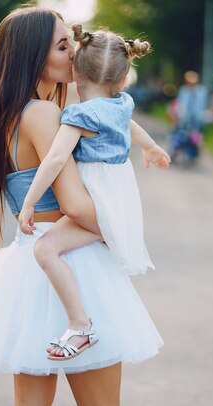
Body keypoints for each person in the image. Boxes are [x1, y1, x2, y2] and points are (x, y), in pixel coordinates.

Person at [0, 6, 163, 406]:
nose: (74, 54)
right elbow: (76, 206)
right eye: (63, 46)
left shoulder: (11, 115)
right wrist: (120, 226)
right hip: (74, 265)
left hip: (30, 267)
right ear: (32, 57)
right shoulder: (44, 114)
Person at [18, 24, 170, 361]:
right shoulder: (120, 104)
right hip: (119, 201)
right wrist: (152, 147)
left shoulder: (79, 114)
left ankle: (79, 325)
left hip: (96, 203)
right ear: (121, 80)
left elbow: (56, 158)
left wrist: (29, 201)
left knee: (45, 251)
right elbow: (132, 127)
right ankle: (79, 322)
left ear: (76, 71)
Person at [169, 70, 208, 164]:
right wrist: (178, 115)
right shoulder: (184, 90)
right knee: (179, 135)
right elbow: (180, 104)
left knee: (195, 137)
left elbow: (202, 105)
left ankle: (193, 155)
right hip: (184, 118)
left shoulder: (202, 91)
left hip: (197, 119)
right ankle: (175, 152)